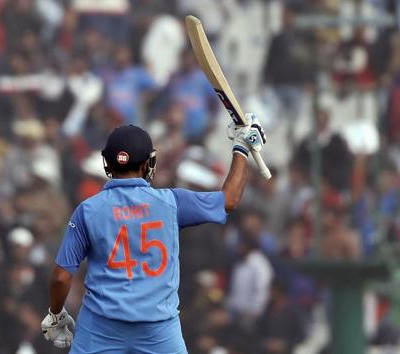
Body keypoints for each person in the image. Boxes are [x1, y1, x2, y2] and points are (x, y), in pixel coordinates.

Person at [40, 114, 267, 353]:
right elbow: (229, 199)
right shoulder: (172, 202)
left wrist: (56, 315)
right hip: (158, 330)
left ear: (107, 162)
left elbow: (61, 277)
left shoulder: (87, 210)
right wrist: (241, 147)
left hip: (100, 327)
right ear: (148, 163)